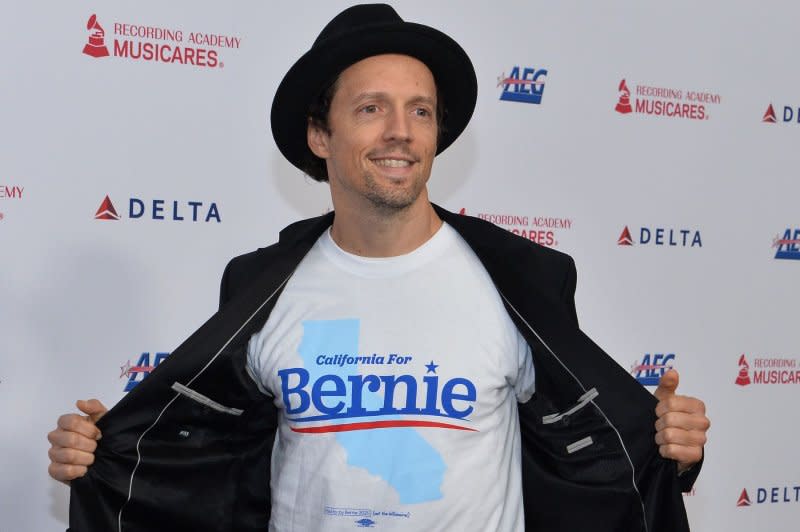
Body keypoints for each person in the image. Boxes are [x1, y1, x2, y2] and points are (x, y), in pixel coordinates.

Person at [48, 4, 709, 531]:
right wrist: (109, 455)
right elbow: (204, 464)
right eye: (371, 108)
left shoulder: (524, 279)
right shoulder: (259, 286)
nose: (401, 131)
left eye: (419, 110)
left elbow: (592, 454)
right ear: (319, 134)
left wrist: (669, 445)